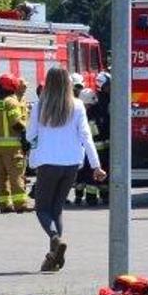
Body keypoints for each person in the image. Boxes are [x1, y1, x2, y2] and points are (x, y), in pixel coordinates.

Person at [26, 67, 105, 273]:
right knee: (57, 209)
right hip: (71, 164)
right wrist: (96, 165)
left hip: (47, 163)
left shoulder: (40, 105)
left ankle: (55, 238)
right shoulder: (77, 105)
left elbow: (29, 135)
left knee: (42, 209)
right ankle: (53, 258)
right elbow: (86, 137)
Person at [0, 75, 30, 214]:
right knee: (16, 176)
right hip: (12, 148)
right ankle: (20, 204)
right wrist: (26, 134)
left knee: (1, 178)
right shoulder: (11, 102)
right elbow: (17, 124)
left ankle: (4, 205)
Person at [75, 73, 111, 207]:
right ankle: (91, 198)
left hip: (96, 148)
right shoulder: (94, 110)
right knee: (91, 175)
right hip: (95, 149)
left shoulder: (95, 107)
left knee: (94, 173)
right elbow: (94, 132)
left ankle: (99, 196)